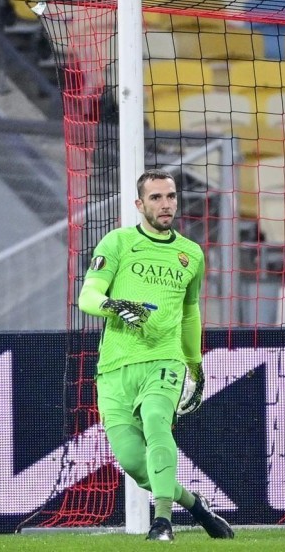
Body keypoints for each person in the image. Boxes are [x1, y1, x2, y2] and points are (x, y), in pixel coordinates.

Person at [78, 168, 234, 541]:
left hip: (165, 360)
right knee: (133, 462)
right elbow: (87, 297)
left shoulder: (190, 253)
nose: (166, 205)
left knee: (156, 423)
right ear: (139, 204)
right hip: (115, 366)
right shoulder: (116, 243)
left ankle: (162, 522)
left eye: (170, 197)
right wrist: (114, 305)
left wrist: (194, 364)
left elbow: (190, 313)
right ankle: (195, 504)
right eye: (156, 198)